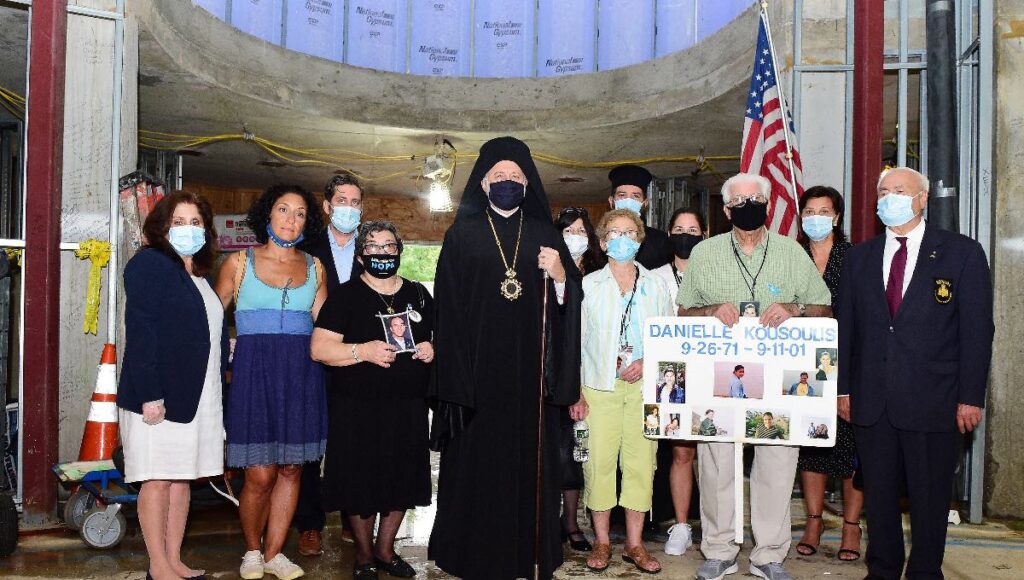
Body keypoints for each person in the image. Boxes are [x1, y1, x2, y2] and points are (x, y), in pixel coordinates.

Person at [428, 136, 583, 580]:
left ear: (528, 184)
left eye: (516, 177)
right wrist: (455, 381)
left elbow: (571, 305)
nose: (508, 182)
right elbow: (448, 312)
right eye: (500, 176)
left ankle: (528, 555)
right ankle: (470, 554)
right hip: (476, 381)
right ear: (482, 184)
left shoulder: (546, 235)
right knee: (478, 470)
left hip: (531, 383)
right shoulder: (461, 236)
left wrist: (558, 277)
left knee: (529, 472)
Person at [838, 167, 994, 579]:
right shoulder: (860, 257)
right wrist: (843, 390)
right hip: (873, 401)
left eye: (900, 191)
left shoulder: (963, 253)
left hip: (936, 400)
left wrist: (971, 396)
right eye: (883, 191)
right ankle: (883, 569)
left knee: (929, 499)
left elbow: (977, 331)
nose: (890, 197)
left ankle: (926, 572)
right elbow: (847, 330)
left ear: (922, 199)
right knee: (881, 497)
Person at [678, 173, 832, 580]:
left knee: (777, 465)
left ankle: (768, 555)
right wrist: (709, 311)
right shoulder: (706, 254)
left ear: (768, 202)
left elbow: (824, 309)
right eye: (740, 201)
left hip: (780, 386)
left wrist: (794, 309)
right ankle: (719, 550)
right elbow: (682, 313)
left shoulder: (791, 253)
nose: (749, 206)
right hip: (720, 381)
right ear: (727, 210)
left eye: (757, 198)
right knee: (715, 466)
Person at [214, 184, 329, 580]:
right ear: (267, 215)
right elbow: (211, 321)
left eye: (299, 213)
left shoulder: (315, 267)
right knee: (259, 472)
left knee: (292, 469)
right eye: (283, 209)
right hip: (253, 373)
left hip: (302, 374)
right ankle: (251, 550)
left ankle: (275, 552)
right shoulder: (238, 263)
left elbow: (329, 326)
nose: (291, 219)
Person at [311, 220, 434, 580]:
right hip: (357, 409)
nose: (383, 252)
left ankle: (385, 549)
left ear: (399, 251)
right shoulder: (346, 296)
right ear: (362, 256)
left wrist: (432, 347)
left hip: (408, 407)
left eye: (389, 246)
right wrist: (361, 351)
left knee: (401, 482)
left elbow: (437, 337)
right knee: (360, 483)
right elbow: (319, 349)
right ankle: (364, 556)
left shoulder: (419, 294)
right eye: (374, 247)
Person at [118, 191, 227, 580]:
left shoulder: (196, 275)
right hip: (159, 397)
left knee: (182, 480)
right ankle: (157, 565)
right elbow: (142, 332)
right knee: (158, 479)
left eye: (195, 222)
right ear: (162, 228)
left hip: (198, 397)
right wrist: (150, 395)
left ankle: (174, 559)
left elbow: (202, 334)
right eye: (178, 222)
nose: (188, 229)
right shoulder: (150, 265)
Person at [573, 208, 674, 574]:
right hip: (598, 388)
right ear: (602, 242)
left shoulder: (658, 285)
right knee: (598, 464)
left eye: (630, 232)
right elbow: (576, 343)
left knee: (641, 466)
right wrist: (576, 393)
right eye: (614, 232)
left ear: (640, 239)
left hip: (646, 389)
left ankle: (634, 543)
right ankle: (601, 541)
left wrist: (649, 363)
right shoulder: (587, 286)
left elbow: (670, 337)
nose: (622, 238)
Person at [294, 173, 365, 555]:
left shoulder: (371, 250)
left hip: (356, 363)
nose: (348, 209)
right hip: (312, 359)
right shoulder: (304, 249)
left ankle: (355, 519)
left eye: (355, 202)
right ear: (326, 206)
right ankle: (310, 523)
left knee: (352, 443)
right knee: (309, 447)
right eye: (342, 200)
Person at [792, 185, 862, 561]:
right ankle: (814, 521)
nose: (816, 217)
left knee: (851, 448)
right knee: (811, 447)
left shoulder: (856, 258)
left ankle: (851, 527)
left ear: (837, 217)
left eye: (824, 211)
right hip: (801, 367)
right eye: (809, 210)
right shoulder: (790, 256)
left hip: (848, 365)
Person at [651, 207, 707, 557]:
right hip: (673, 372)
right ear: (669, 234)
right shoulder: (653, 276)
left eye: (693, 229)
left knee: (718, 453)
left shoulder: (718, 273)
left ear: (704, 234)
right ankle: (682, 523)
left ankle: (719, 526)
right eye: (678, 228)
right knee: (682, 452)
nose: (685, 234)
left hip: (712, 370)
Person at [553, 206, 602, 553]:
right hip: (553, 374)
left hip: (590, 373)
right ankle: (545, 517)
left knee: (576, 453)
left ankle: (571, 522)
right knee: (550, 451)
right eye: (568, 230)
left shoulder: (599, 273)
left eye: (581, 230)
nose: (576, 236)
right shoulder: (548, 271)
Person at [607, 164, 674, 269]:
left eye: (636, 196)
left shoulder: (660, 241)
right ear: (611, 201)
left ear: (645, 203)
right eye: (622, 195)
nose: (628, 200)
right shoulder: (598, 240)